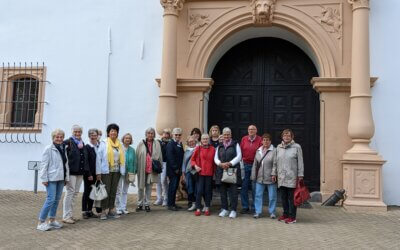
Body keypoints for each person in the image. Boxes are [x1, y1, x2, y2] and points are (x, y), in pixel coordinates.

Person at [37, 129, 69, 231]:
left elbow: (66, 165)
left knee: (56, 200)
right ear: (53, 138)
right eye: (57, 137)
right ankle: (41, 222)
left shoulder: (64, 148)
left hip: (61, 178)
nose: (59, 139)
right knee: (50, 199)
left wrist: (66, 177)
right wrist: (44, 178)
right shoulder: (48, 149)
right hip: (51, 178)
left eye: (61, 137)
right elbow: (44, 164)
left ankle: (52, 220)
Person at [272, 129, 304, 224]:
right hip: (281, 177)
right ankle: (285, 214)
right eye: (284, 136)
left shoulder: (296, 147)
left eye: (288, 136)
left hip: (292, 177)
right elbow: (275, 162)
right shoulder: (278, 147)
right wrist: (274, 173)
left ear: (292, 137)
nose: (286, 137)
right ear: (282, 137)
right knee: (283, 197)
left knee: (291, 198)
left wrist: (300, 175)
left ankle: (292, 217)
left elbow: (300, 162)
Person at [97, 123, 125, 220]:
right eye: (111, 131)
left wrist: (123, 170)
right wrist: (98, 172)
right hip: (106, 171)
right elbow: (99, 158)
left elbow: (122, 158)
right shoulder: (104, 143)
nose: (113, 132)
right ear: (108, 133)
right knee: (106, 191)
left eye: (115, 131)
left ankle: (111, 210)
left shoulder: (119, 144)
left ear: (117, 133)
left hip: (116, 171)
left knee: (113, 191)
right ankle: (103, 211)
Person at [63, 125, 89, 224]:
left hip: (80, 172)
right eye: (75, 132)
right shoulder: (68, 142)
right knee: (70, 192)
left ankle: (70, 215)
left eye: (79, 132)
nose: (77, 133)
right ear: (72, 132)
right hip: (71, 172)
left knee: (75, 193)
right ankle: (66, 216)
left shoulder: (82, 143)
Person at [214, 127, 242, 219]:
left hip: (232, 170)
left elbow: (239, 156)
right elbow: (215, 158)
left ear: (231, 135)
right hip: (221, 170)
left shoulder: (235, 144)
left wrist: (230, 163)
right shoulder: (219, 146)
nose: (226, 136)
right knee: (223, 192)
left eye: (228, 134)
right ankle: (224, 209)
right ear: (222, 135)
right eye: (225, 134)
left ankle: (233, 210)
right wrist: (220, 164)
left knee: (233, 192)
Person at [136, 127, 163, 212]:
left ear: (154, 134)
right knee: (141, 187)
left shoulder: (157, 143)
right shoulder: (141, 143)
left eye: (152, 133)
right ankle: (139, 204)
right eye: (149, 133)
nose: (150, 135)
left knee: (149, 187)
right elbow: (137, 156)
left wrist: (160, 166)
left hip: (152, 169)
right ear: (146, 134)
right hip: (142, 168)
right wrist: (136, 168)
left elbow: (160, 156)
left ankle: (147, 203)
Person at [251, 133, 277, 219]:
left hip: (270, 177)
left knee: (272, 196)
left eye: (267, 140)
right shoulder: (258, 151)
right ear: (261, 141)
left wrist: (274, 174)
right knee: (258, 195)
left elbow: (275, 164)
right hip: (260, 177)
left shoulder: (274, 151)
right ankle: (258, 212)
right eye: (264, 140)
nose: (265, 142)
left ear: (270, 141)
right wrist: (253, 176)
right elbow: (255, 164)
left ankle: (272, 212)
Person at [240, 125, 262, 214]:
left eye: (253, 129)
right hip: (245, 165)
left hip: (255, 166)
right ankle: (245, 206)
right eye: (249, 129)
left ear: (256, 130)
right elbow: (240, 151)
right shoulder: (244, 139)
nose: (251, 130)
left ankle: (254, 207)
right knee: (244, 187)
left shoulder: (260, 140)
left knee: (254, 188)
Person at [191, 134, 216, 216]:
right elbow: (192, 160)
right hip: (200, 173)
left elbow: (214, 162)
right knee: (199, 191)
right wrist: (195, 166)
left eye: (206, 139)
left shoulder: (213, 149)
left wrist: (215, 173)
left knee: (208, 191)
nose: (205, 140)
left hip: (209, 173)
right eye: (203, 139)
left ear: (209, 140)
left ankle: (207, 208)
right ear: (201, 140)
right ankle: (198, 208)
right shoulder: (198, 148)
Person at [115, 133, 137, 215]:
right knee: (118, 190)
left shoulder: (132, 150)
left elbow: (134, 162)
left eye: (129, 138)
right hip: (120, 172)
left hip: (129, 172)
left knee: (125, 191)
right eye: (126, 138)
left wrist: (134, 171)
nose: (127, 139)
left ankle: (123, 207)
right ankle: (118, 207)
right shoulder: (119, 148)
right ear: (123, 139)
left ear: (131, 140)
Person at [82, 129, 101, 219]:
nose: (93, 137)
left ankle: (90, 210)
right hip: (88, 173)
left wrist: (98, 173)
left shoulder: (98, 146)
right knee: (86, 192)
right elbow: (85, 162)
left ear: (97, 136)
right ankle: (84, 211)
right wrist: (89, 174)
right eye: (91, 135)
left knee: (92, 192)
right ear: (89, 136)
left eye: (95, 135)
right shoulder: (87, 147)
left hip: (96, 173)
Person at [166, 127, 185, 211]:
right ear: (173, 135)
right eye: (176, 135)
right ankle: (170, 204)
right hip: (173, 170)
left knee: (175, 187)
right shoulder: (170, 144)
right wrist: (175, 168)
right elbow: (170, 157)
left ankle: (173, 203)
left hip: (178, 170)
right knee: (172, 187)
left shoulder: (179, 144)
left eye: (179, 135)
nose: (177, 136)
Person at [154, 128, 171, 206]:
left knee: (163, 181)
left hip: (166, 163)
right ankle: (159, 198)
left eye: (167, 133)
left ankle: (165, 198)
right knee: (158, 181)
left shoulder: (171, 142)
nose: (166, 134)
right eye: (164, 133)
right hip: (159, 163)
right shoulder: (158, 142)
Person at [181, 135, 197, 211]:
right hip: (188, 172)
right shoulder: (186, 151)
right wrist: (183, 174)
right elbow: (184, 163)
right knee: (190, 187)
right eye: (189, 142)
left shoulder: (198, 149)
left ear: (195, 141)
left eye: (192, 141)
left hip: (196, 171)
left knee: (197, 188)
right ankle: (193, 203)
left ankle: (198, 203)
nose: (191, 143)